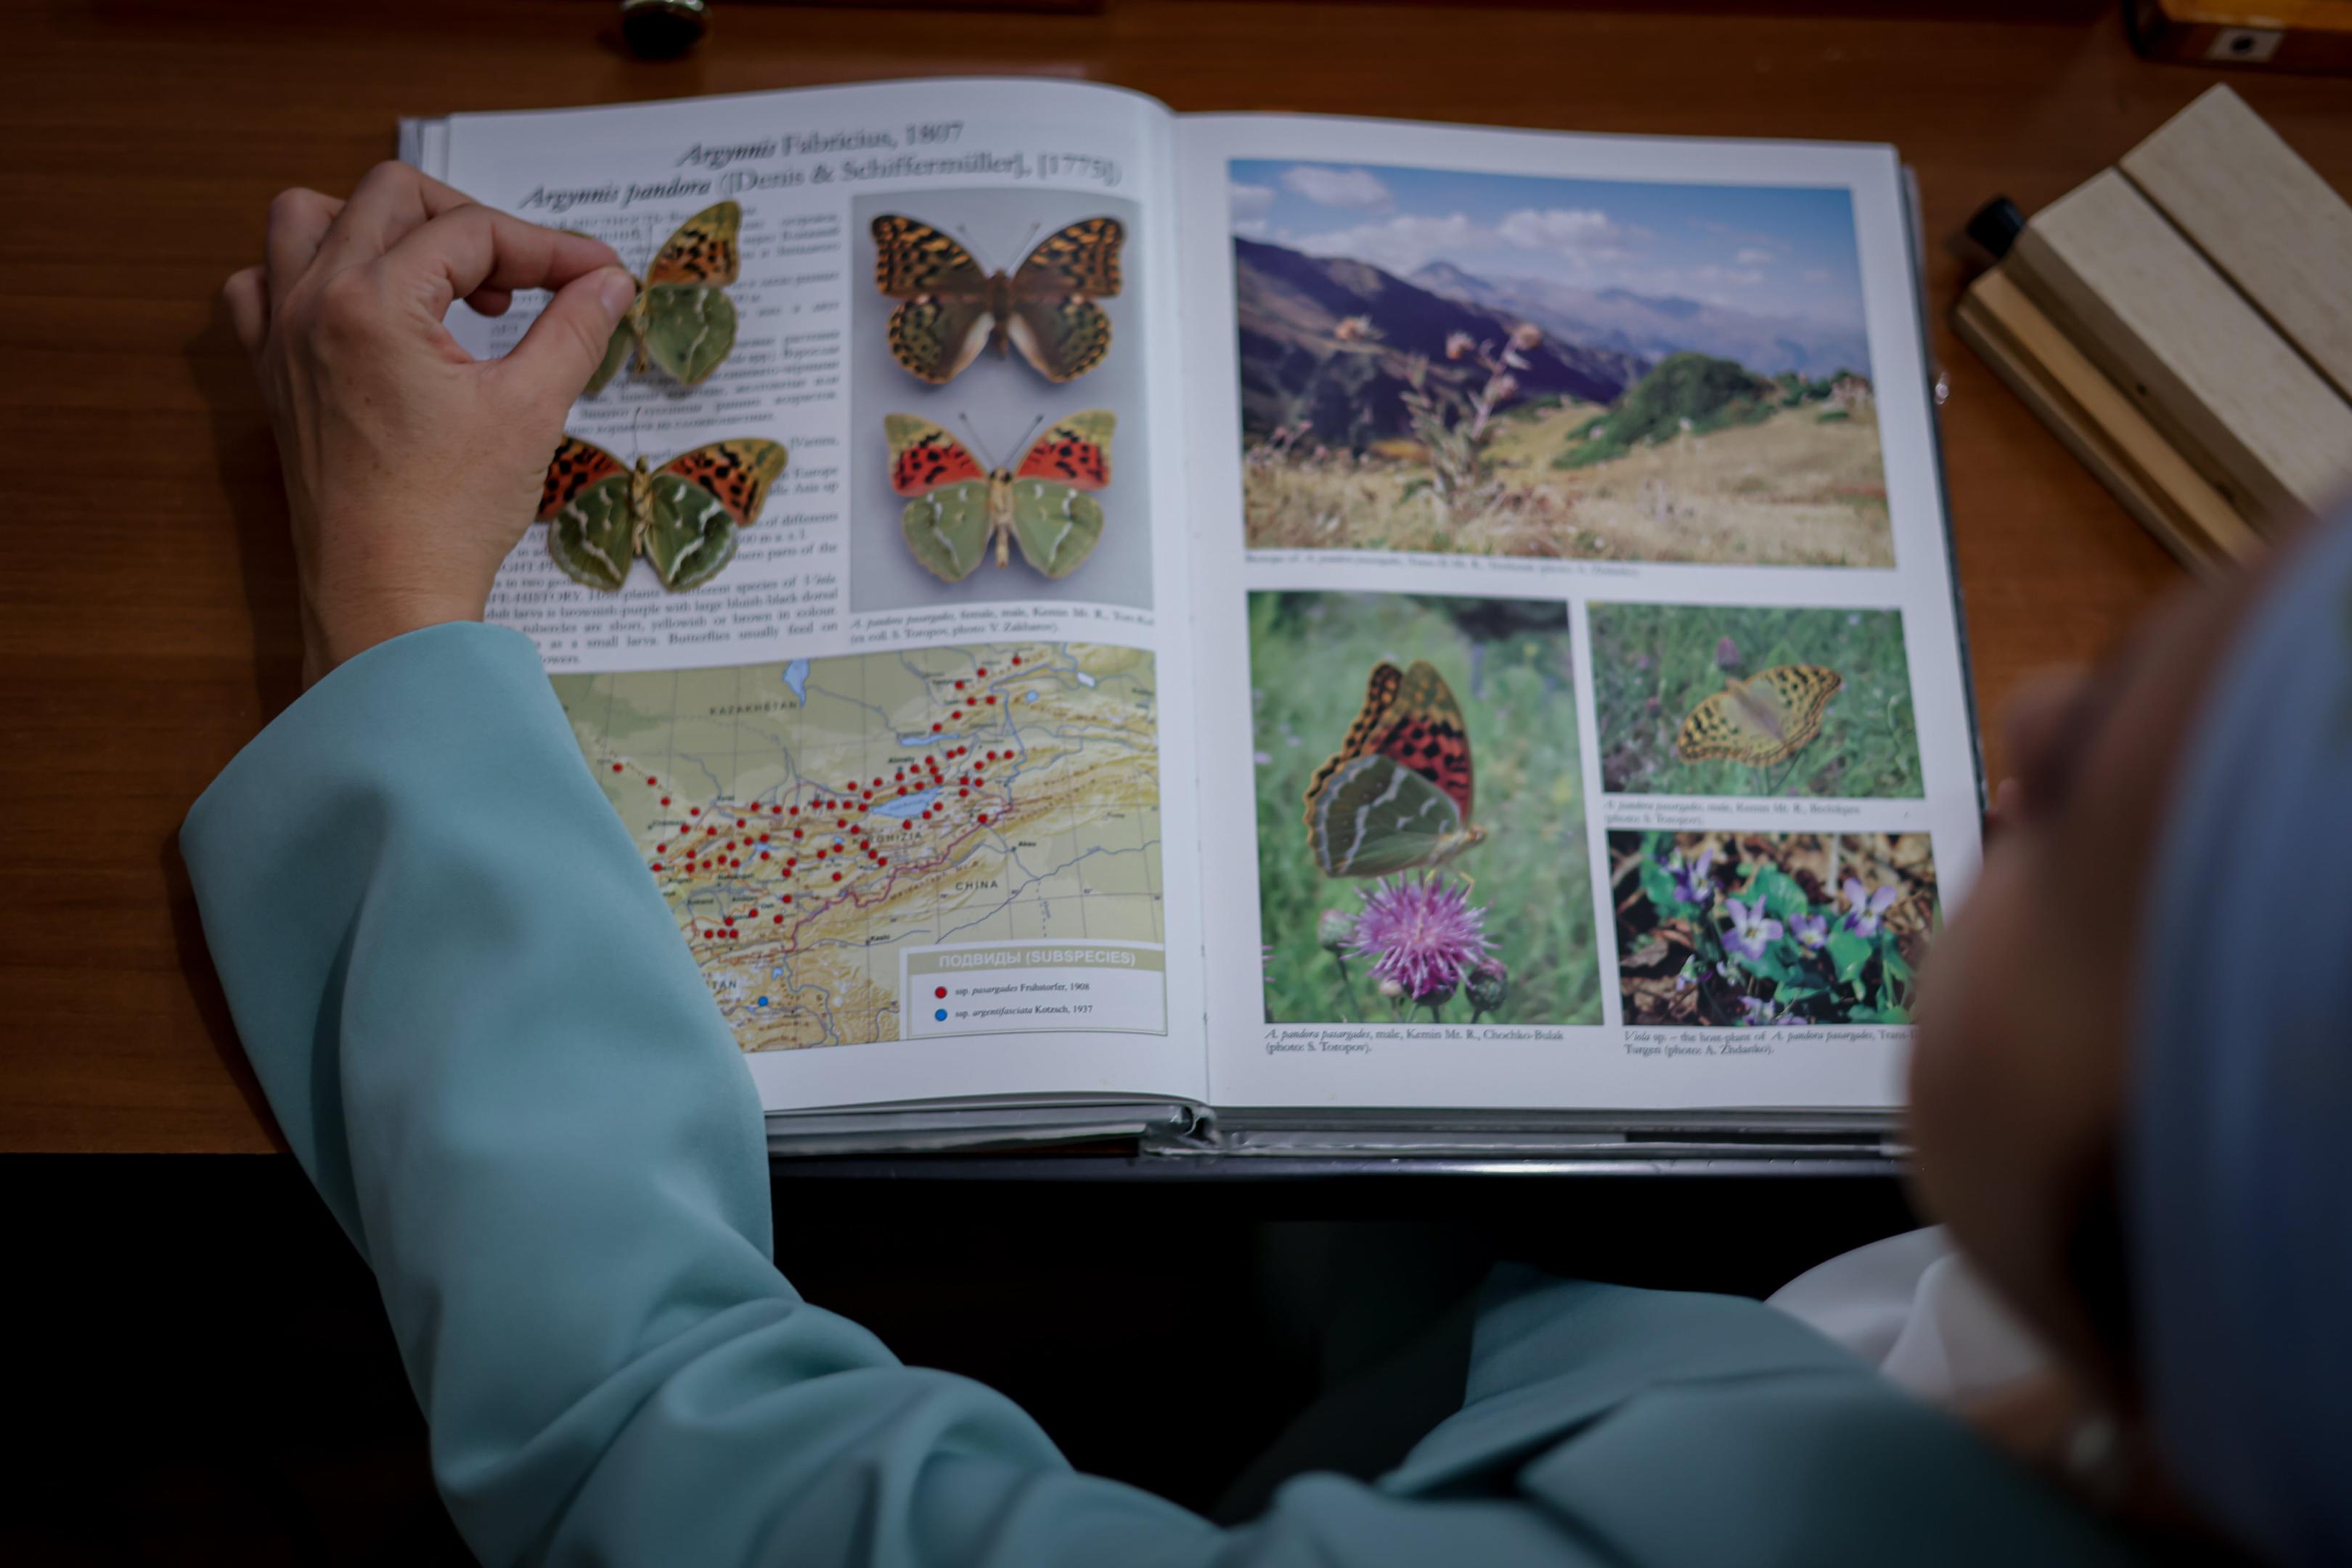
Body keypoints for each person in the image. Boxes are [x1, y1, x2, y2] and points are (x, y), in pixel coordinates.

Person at [187, 163, 2345, 1567]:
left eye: (2137, 823)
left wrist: (397, 615)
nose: (2039, 717)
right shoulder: (2143, 1380)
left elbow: (663, 1451)